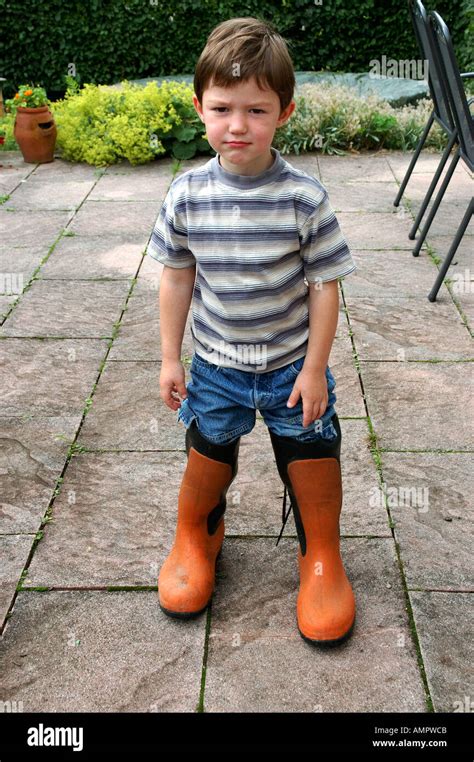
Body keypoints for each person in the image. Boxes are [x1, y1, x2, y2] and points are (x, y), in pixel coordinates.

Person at [146, 17, 357, 646]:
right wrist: (169, 357)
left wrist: (316, 368)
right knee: (208, 453)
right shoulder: (186, 195)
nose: (238, 126)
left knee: (312, 453)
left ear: (285, 112)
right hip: (215, 366)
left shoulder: (304, 198)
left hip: (294, 367)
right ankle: (196, 536)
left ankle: (321, 555)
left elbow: (326, 286)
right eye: (222, 108)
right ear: (199, 108)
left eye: (257, 110)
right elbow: (176, 277)